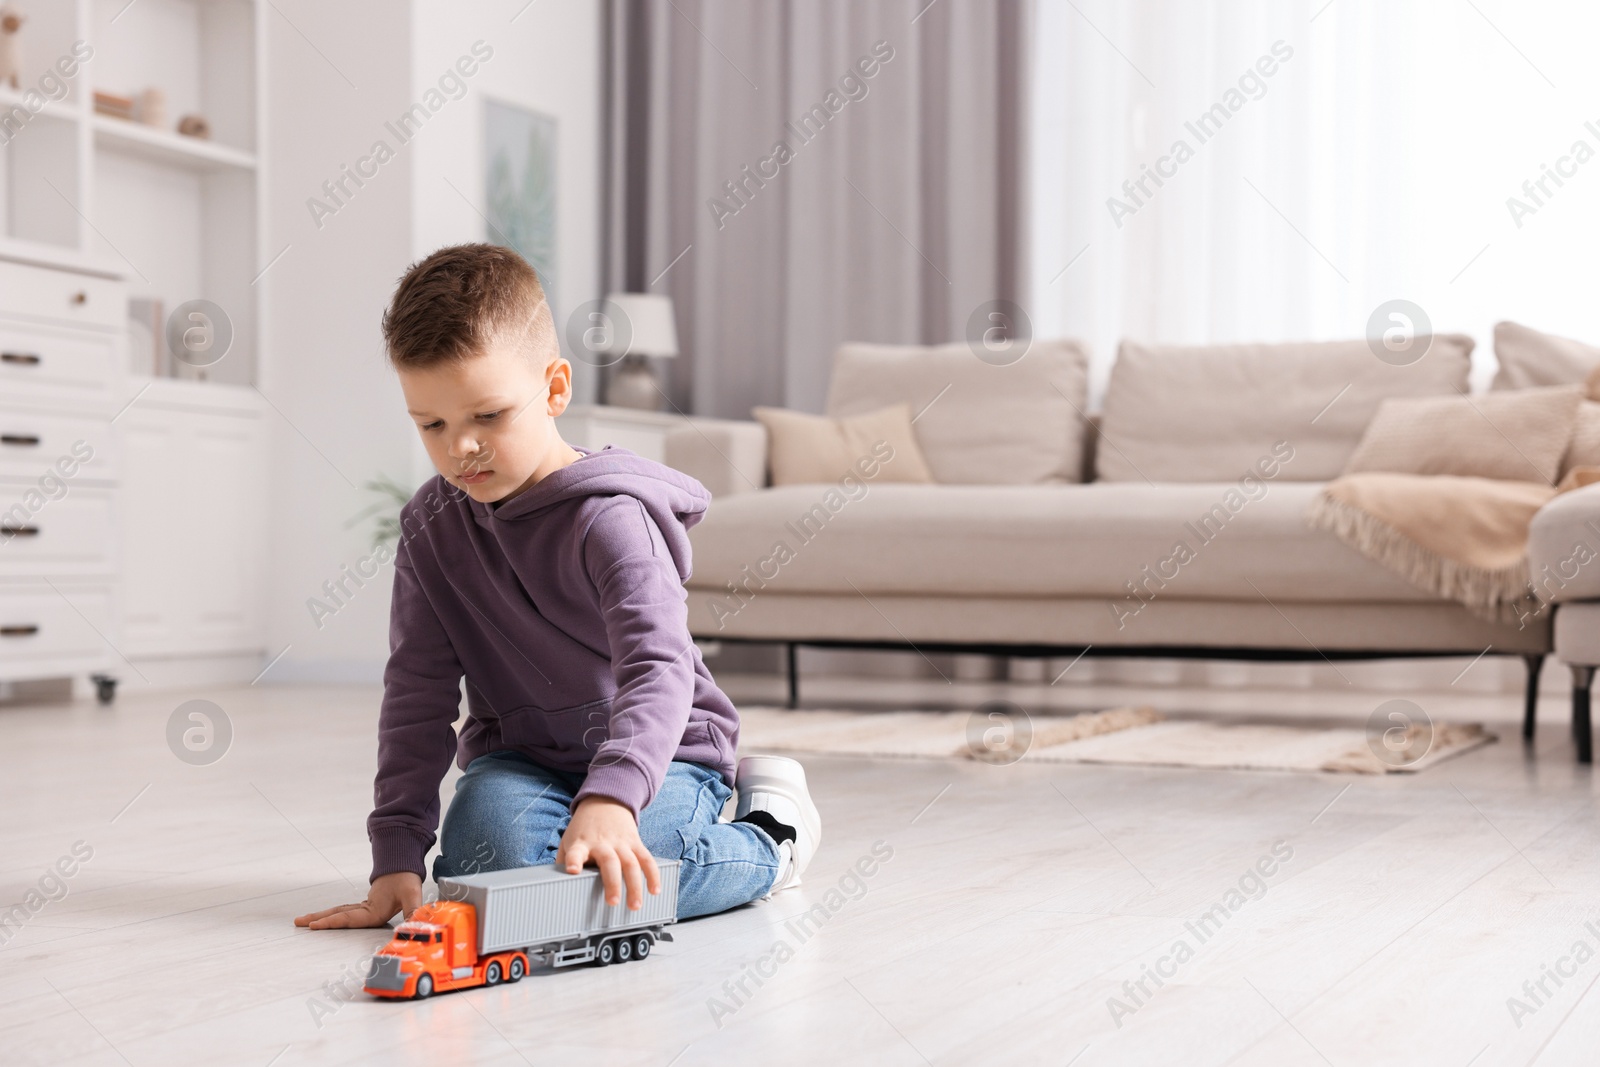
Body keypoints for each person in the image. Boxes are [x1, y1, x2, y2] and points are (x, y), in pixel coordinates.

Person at [294, 244, 820, 932]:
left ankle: (770, 836)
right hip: (524, 759)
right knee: (484, 874)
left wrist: (613, 796)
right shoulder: (431, 528)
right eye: (433, 424)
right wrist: (395, 855)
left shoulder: (612, 518)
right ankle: (576, 852)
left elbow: (657, 669)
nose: (460, 448)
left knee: (629, 869)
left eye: (488, 415)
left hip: (662, 754)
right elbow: (416, 692)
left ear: (555, 388)